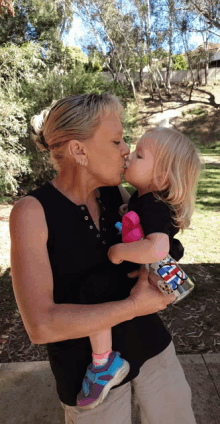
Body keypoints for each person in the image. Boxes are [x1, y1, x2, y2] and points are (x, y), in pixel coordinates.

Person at [9, 93, 197, 424]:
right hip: (90, 373)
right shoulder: (32, 211)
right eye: (116, 140)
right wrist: (136, 306)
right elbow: (41, 326)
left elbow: (153, 242)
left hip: (150, 345)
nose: (126, 149)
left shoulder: (116, 194)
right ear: (79, 150)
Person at [77, 126, 201, 410]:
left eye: (139, 155)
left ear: (162, 176)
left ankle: (103, 363)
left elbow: (158, 247)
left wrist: (118, 251)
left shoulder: (154, 205)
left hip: (140, 267)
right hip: (144, 275)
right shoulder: (143, 197)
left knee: (93, 293)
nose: (129, 156)